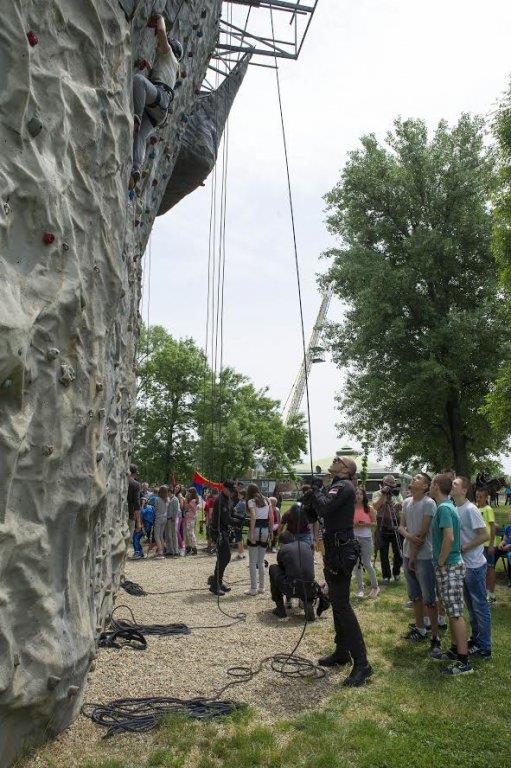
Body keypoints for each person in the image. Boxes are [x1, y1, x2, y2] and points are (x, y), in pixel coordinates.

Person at [302, 455, 372, 687]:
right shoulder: (335, 486)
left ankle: (362, 663)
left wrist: (315, 495)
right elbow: (319, 514)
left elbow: (325, 505)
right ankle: (342, 651)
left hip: (342, 550)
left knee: (342, 604)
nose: (333, 461)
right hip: (334, 548)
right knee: (336, 599)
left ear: (346, 468)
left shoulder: (343, 486)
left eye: (337, 459)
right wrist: (309, 501)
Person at [130, 15, 183, 187]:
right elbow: (160, 76)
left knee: (138, 80)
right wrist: (149, 67)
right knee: (141, 136)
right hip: (160, 111)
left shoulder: (169, 55)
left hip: (159, 97)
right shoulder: (172, 67)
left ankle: (136, 116)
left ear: (170, 47)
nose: (159, 45)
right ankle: (136, 168)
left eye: (163, 44)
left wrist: (160, 18)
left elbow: (160, 31)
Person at [429, 473, 473, 676]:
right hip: (449, 565)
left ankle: (464, 662)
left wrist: (440, 561)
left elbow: (449, 537)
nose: (430, 487)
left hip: (449, 566)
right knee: (451, 608)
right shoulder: (446, 507)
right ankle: (456, 650)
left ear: (436, 486)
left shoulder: (445, 508)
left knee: (455, 614)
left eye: (431, 484)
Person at [398, 472, 441, 657]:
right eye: (413, 477)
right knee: (415, 595)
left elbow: (422, 535)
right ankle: (420, 628)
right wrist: (408, 537)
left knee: (429, 597)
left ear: (425, 486)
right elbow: (401, 526)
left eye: (418, 478)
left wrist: (414, 556)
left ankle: (435, 637)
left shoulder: (429, 503)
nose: (414, 479)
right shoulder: (407, 502)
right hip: (408, 553)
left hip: (423, 556)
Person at [452, 476, 492, 659]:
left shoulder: (470, 509)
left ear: (464, 490)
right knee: (470, 606)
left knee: (480, 606)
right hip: (463, 566)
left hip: (475, 566)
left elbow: (485, 535)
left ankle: (485, 647)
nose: (452, 486)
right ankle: (476, 640)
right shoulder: (455, 508)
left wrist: (465, 548)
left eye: (455, 484)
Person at [269, 531, 316, 620]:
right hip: (310, 586)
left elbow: (282, 570)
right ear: (293, 538)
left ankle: (280, 609)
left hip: (292, 587)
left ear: (281, 543)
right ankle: (307, 601)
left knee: (273, 568)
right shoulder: (306, 545)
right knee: (302, 573)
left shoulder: (283, 549)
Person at [208, 481, 238, 596]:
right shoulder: (220, 500)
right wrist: (237, 522)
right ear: (224, 488)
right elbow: (226, 519)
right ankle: (215, 585)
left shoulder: (227, 499)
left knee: (224, 557)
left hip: (224, 531)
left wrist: (241, 518)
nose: (232, 492)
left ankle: (218, 582)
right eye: (230, 489)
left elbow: (232, 514)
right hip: (219, 531)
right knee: (224, 557)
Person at [373, 474, 403, 584]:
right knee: (383, 552)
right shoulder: (377, 493)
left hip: (395, 523)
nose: (390, 486)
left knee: (398, 551)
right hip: (382, 525)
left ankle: (396, 572)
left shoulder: (396, 493)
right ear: (383, 483)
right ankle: (386, 576)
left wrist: (398, 505)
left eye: (392, 483)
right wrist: (384, 494)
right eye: (387, 483)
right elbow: (376, 506)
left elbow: (401, 505)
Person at [245, 484, 273, 596]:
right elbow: (271, 516)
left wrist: (251, 532)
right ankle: (261, 587)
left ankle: (253, 589)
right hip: (265, 530)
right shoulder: (267, 500)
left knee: (252, 562)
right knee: (261, 562)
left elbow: (253, 516)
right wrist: (271, 531)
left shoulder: (251, 501)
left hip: (255, 529)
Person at [353, 487, 379, 598]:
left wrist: (364, 524)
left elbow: (374, 523)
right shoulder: (350, 508)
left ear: (364, 496)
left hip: (366, 538)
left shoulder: (369, 508)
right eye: (356, 494)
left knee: (367, 563)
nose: (358, 496)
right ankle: (360, 588)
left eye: (360, 494)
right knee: (357, 564)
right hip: (354, 538)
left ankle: (375, 587)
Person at [475, 488, 497, 602]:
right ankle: (483, 591)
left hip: (488, 544)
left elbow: (493, 526)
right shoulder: (476, 509)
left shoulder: (488, 509)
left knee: (490, 568)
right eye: (477, 496)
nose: (478, 499)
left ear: (486, 498)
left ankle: (491, 593)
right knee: (482, 569)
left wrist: (492, 544)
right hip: (479, 544)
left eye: (481, 497)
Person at [127, 465, 142, 554]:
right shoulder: (135, 484)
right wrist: (139, 522)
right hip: (129, 514)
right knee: (127, 538)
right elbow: (136, 504)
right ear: (135, 473)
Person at [153, 485, 169, 559]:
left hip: (159, 518)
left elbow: (155, 509)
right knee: (161, 535)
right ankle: (162, 550)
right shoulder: (167, 499)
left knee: (157, 535)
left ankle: (160, 552)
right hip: (164, 518)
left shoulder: (157, 499)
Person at [165, 488, 179, 556]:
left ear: (170, 492)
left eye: (168, 492)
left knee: (174, 535)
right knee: (168, 535)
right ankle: (169, 550)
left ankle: (175, 550)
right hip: (167, 519)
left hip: (172, 519)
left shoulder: (175, 499)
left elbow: (176, 509)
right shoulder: (168, 499)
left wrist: (174, 517)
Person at [233, 489, 247, 560]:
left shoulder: (242, 503)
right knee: (240, 537)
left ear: (243, 495)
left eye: (239, 494)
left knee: (238, 537)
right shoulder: (242, 502)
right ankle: (242, 552)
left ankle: (240, 553)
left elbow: (234, 510)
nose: (238, 495)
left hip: (238, 520)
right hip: (240, 520)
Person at [184, 488, 198, 555]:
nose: (188, 493)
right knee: (189, 533)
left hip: (190, 518)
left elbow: (186, 507)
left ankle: (194, 548)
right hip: (189, 518)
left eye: (189, 492)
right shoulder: (193, 500)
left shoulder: (193, 501)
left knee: (191, 533)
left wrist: (186, 500)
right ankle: (190, 547)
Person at [204, 488, 218, 554]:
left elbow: (210, 511)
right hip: (214, 519)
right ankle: (209, 546)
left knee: (211, 533)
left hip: (211, 519)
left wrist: (209, 520)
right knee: (211, 533)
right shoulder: (214, 500)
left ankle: (211, 547)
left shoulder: (211, 500)